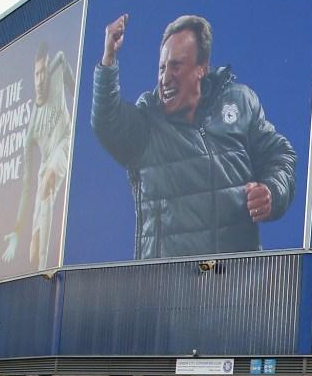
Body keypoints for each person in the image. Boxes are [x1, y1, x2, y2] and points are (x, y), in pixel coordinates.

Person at [91, 13, 297, 259]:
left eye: (176, 66)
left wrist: (272, 191)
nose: (165, 78)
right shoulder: (146, 121)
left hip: (236, 284)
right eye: (162, 67)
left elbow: (280, 156)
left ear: (202, 68)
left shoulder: (240, 102)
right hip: (167, 286)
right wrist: (108, 60)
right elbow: (106, 122)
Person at [5, 44, 74, 268]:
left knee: (47, 183)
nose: (41, 78)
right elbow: (26, 186)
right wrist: (16, 231)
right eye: (37, 73)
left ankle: (47, 269)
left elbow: (62, 56)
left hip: (65, 140)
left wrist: (81, 97)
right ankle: (39, 269)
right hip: (45, 164)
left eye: (44, 71)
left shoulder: (55, 72)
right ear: (33, 76)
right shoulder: (32, 128)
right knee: (31, 253)